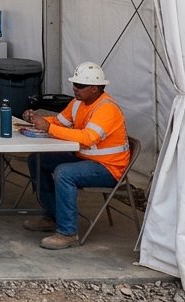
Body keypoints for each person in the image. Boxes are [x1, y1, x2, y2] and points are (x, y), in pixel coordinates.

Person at [23, 62, 131, 250]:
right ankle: (52, 216)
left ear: (95, 89)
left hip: (109, 168)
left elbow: (88, 138)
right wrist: (36, 120)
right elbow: (59, 122)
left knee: (64, 172)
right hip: (86, 159)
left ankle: (67, 232)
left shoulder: (107, 108)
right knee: (37, 159)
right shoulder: (78, 103)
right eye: (74, 84)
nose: (75, 88)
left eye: (80, 86)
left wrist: (48, 127)